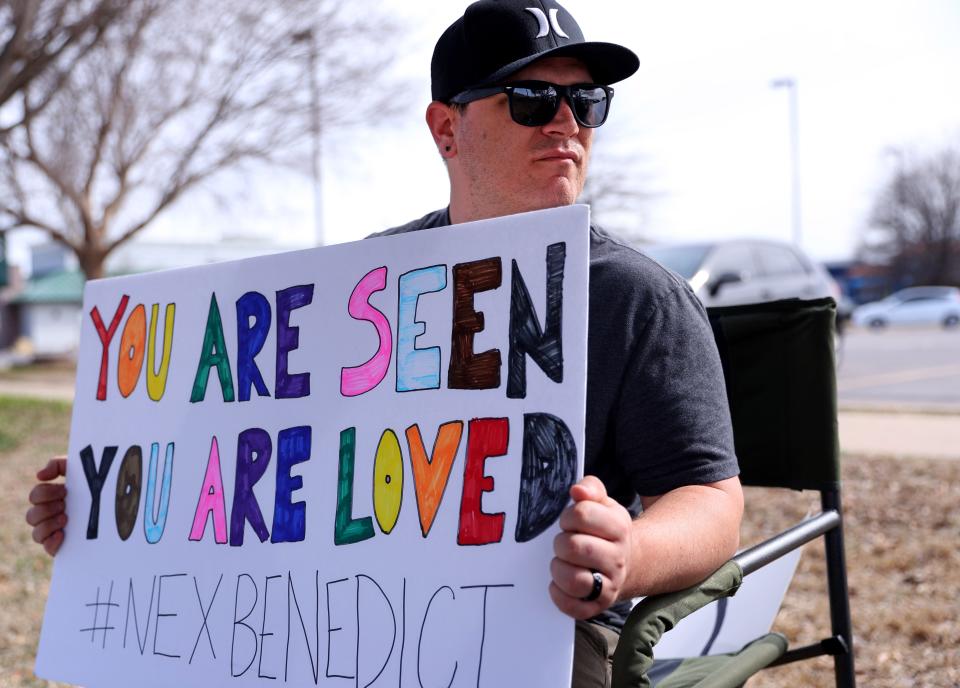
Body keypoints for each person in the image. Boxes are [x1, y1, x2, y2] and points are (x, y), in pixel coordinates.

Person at [27, 2, 743, 686]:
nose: (567, 122)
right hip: (339, 616)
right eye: (530, 98)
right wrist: (111, 518)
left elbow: (710, 500)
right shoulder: (361, 281)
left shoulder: (638, 297)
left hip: (549, 627)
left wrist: (630, 551)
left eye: (588, 102)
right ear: (446, 128)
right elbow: (243, 462)